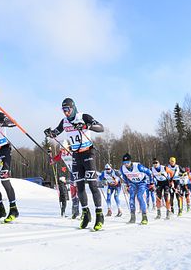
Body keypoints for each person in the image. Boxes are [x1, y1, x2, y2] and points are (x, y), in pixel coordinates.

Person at [44, 98, 105, 231]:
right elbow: (55, 132)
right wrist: (49, 133)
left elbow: (101, 128)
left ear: (73, 107)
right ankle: (85, 214)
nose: (66, 113)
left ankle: (99, 215)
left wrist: (86, 126)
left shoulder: (83, 116)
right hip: (76, 155)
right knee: (79, 186)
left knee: (93, 185)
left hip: (88, 153)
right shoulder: (64, 122)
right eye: (63, 110)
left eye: (67, 109)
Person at [119, 153, 153, 225]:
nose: (126, 164)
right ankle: (132, 217)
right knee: (131, 198)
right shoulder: (122, 168)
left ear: (130, 161)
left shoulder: (138, 166)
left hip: (142, 182)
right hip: (132, 183)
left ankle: (144, 217)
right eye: (124, 163)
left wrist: (151, 183)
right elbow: (124, 176)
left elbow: (150, 173)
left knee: (140, 196)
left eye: (127, 162)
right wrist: (127, 184)